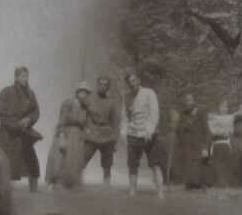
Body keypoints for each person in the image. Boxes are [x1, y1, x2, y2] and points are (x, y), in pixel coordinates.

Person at [0, 66, 42, 191]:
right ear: (16, 77)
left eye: (26, 76)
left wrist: (29, 119)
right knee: (6, 163)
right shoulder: (6, 92)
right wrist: (16, 124)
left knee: (32, 162)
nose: (25, 79)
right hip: (8, 135)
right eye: (22, 76)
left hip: (24, 134)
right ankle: (3, 191)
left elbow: (35, 111)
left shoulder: (30, 94)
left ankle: (34, 191)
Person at [124, 70, 166, 198]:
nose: (132, 84)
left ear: (139, 81)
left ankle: (160, 192)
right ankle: (132, 191)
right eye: (129, 82)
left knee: (155, 163)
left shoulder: (149, 93)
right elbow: (124, 117)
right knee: (132, 164)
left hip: (148, 133)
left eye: (134, 81)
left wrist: (150, 130)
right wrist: (124, 132)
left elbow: (154, 113)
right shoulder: (127, 97)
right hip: (133, 134)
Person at [45, 82, 91, 189]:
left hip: (77, 136)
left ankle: (69, 184)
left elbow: (85, 123)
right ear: (77, 92)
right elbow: (62, 120)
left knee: (73, 161)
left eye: (86, 93)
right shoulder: (68, 103)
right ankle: (53, 183)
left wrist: (86, 131)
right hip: (66, 132)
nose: (84, 95)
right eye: (82, 92)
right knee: (60, 158)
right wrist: (61, 136)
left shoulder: (85, 108)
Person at [83, 76, 120, 185]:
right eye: (101, 84)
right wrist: (85, 129)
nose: (103, 87)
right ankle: (74, 182)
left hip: (107, 136)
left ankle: (106, 186)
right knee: (82, 160)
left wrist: (115, 140)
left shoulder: (111, 102)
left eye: (105, 85)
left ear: (108, 87)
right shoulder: (89, 99)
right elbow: (83, 115)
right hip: (92, 134)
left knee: (107, 165)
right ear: (97, 85)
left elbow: (115, 122)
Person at [174, 91, 211, 189]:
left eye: (190, 100)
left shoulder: (201, 112)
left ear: (194, 101)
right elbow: (178, 130)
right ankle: (190, 187)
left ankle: (200, 186)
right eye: (186, 100)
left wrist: (206, 147)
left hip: (199, 146)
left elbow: (206, 131)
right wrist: (188, 122)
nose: (188, 102)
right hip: (187, 147)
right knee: (189, 174)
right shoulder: (183, 114)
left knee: (199, 172)